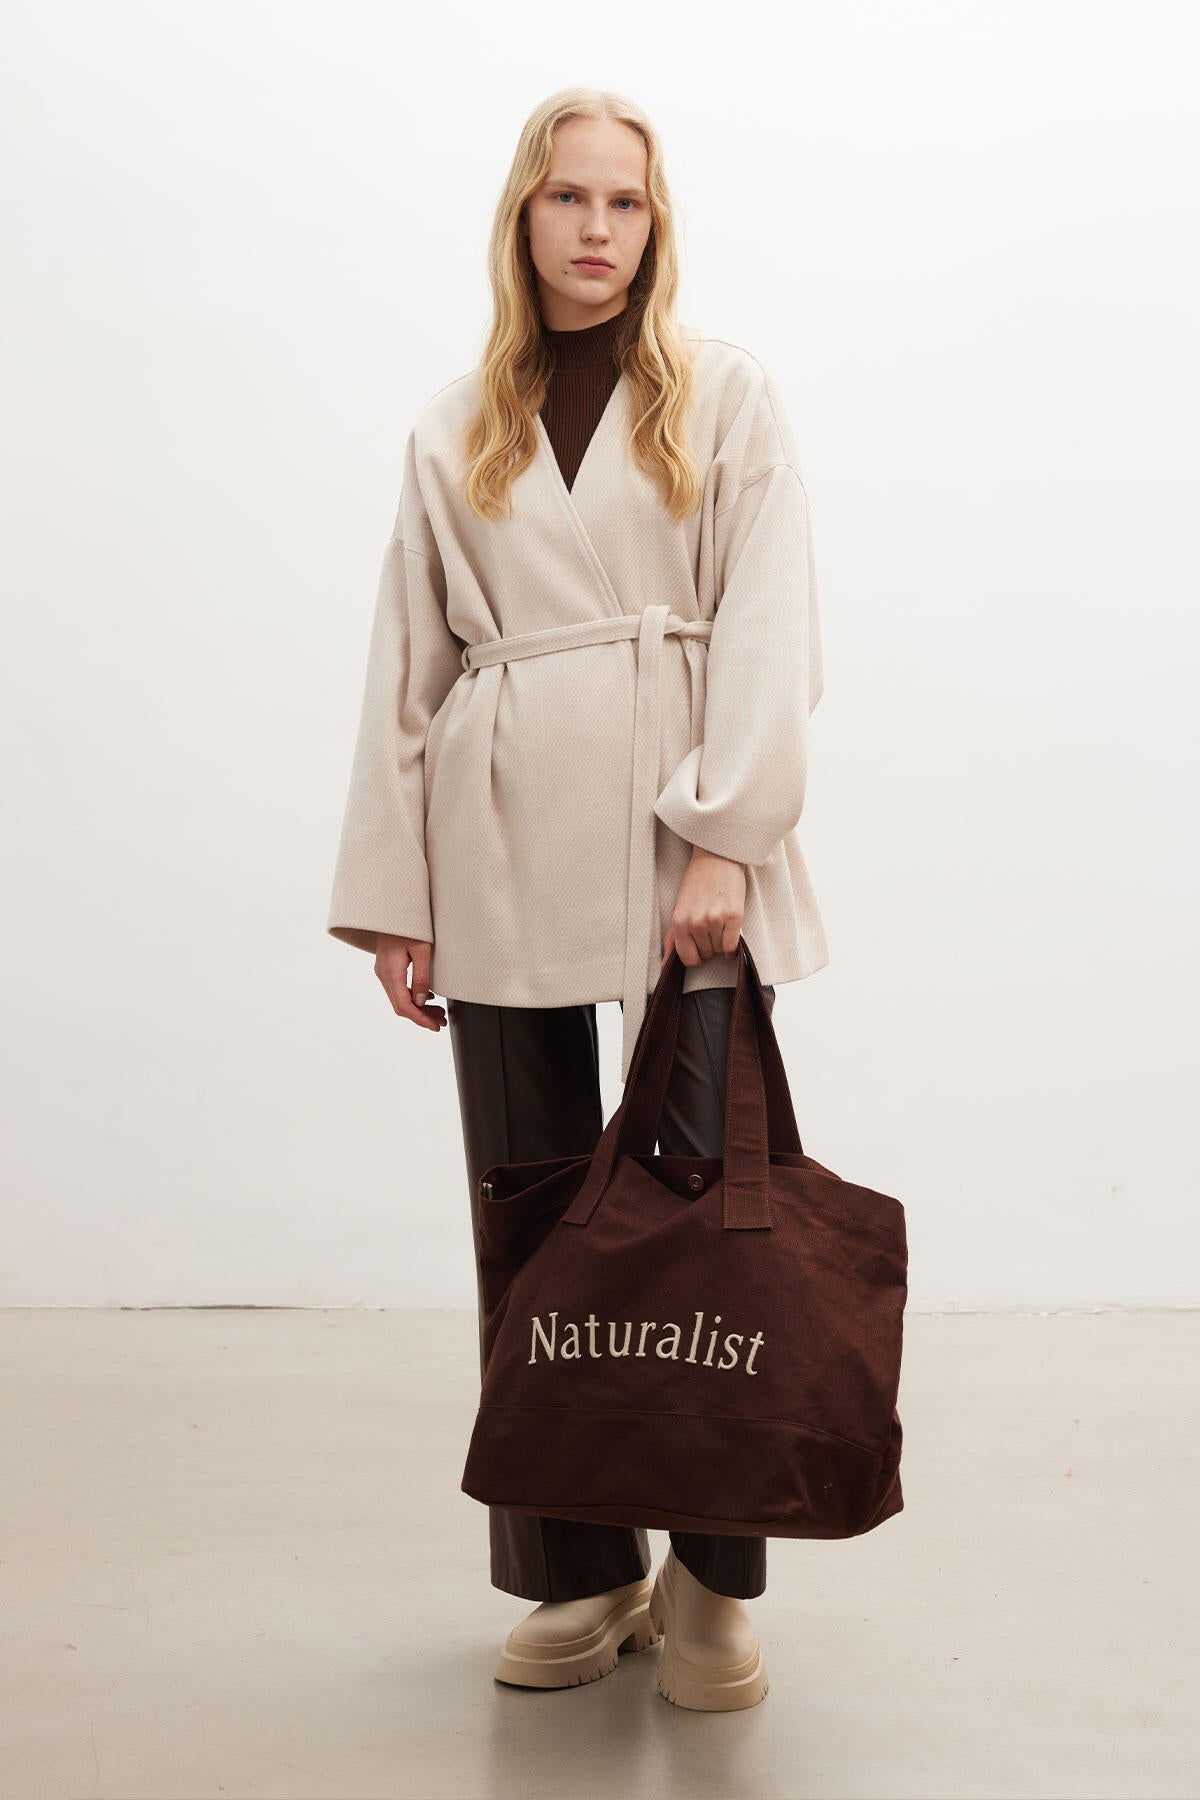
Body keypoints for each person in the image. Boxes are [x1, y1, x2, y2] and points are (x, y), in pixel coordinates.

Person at [326, 88, 828, 1713]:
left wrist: (726, 839)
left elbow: (770, 623)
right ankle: (578, 1566)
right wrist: (398, 894)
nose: (597, 228)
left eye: (625, 201)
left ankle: (713, 1580)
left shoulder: (724, 394)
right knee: (530, 1207)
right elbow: (407, 666)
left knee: (708, 1210)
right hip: (498, 830)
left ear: (654, 225)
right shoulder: (454, 422)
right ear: (523, 217)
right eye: (568, 198)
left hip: (684, 833)